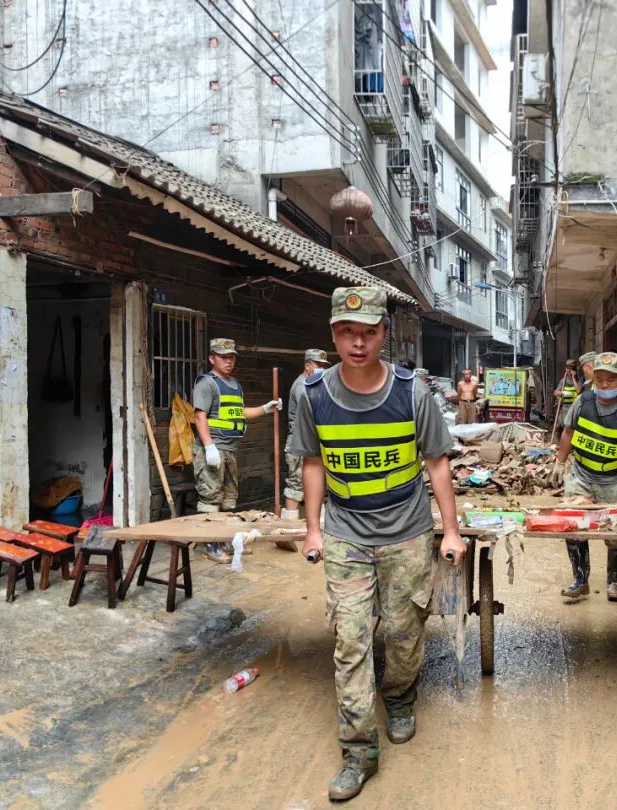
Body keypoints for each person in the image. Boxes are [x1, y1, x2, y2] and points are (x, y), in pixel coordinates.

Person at [294, 287, 465, 802]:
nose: (358, 342)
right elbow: (313, 462)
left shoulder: (413, 393)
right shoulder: (313, 395)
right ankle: (358, 750)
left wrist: (450, 530)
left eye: (368, 332)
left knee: (403, 630)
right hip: (346, 533)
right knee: (349, 640)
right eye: (348, 332)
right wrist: (313, 529)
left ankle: (400, 698)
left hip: (407, 533)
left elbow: (437, 463)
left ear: (383, 335)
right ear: (333, 336)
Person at [549, 352, 617, 602]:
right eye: (600, 379)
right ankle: (580, 580)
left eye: (611, 380)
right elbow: (568, 432)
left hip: (614, 480)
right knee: (573, 527)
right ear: (593, 378)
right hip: (581, 476)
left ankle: (615, 583)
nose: (604, 385)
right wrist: (560, 463)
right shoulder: (582, 402)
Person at [192, 338, 282, 563]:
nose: (228, 361)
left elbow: (239, 413)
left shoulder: (234, 384)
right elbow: (199, 417)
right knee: (210, 497)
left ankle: (222, 540)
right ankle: (208, 544)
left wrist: (264, 409)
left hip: (230, 450)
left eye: (231, 357)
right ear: (212, 359)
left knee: (229, 499)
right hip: (213, 449)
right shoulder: (207, 383)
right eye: (223, 357)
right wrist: (208, 446)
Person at [282, 349, 331, 521]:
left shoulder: (314, 384)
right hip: (299, 442)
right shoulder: (302, 385)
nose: (322, 369)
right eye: (318, 365)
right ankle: (289, 527)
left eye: (324, 366)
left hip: (313, 442)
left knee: (318, 483)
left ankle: (321, 525)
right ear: (307, 366)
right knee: (296, 485)